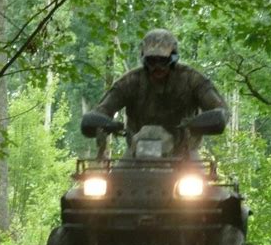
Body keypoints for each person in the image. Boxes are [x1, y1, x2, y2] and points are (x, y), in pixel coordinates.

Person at [82, 28, 228, 158]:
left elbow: (220, 110)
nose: (157, 67)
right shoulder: (130, 82)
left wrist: (203, 122)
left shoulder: (192, 79)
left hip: (184, 156)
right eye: (152, 61)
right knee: (108, 186)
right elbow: (102, 110)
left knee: (205, 188)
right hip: (136, 155)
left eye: (163, 61)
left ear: (173, 58)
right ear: (144, 59)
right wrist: (101, 122)